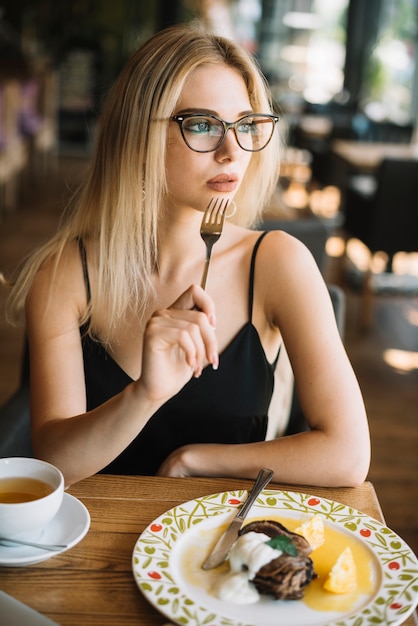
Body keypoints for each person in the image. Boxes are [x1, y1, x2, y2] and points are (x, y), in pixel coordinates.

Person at [4, 23, 370, 488]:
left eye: (244, 124)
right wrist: (144, 395)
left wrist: (197, 460)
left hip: (224, 544)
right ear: (139, 135)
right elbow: (56, 463)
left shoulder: (278, 263)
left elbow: (348, 454)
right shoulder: (66, 274)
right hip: (96, 542)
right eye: (201, 124)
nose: (231, 150)